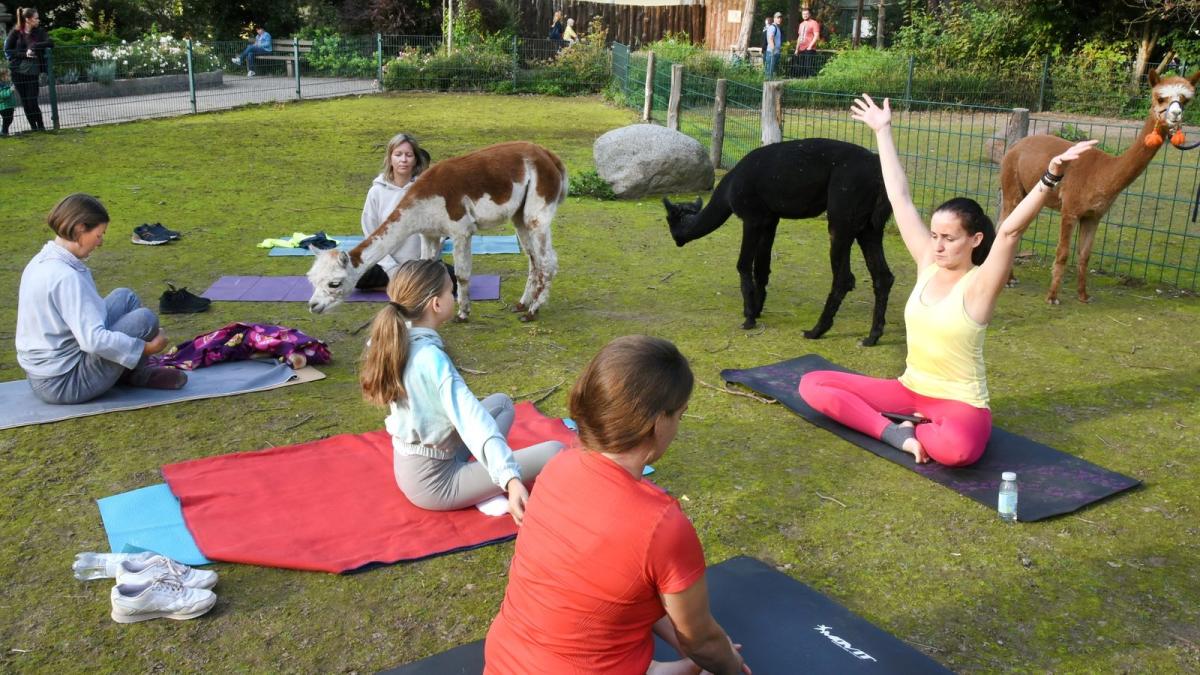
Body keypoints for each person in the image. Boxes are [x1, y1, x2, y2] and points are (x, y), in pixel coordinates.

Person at [798, 94, 1097, 467]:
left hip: (960, 403)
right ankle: (897, 433)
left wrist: (1049, 176)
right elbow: (900, 196)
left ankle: (915, 426)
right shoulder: (927, 261)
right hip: (907, 391)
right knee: (812, 385)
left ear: (974, 241)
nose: (937, 245)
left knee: (957, 451)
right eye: (935, 235)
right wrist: (883, 132)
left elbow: (1009, 232)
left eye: (949, 238)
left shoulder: (981, 285)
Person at [485, 336, 750, 675]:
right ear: (658, 422)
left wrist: (700, 648)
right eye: (680, 415)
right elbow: (701, 639)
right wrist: (728, 664)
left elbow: (612, 591)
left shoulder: (558, 467)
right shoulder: (662, 524)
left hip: (504, 661)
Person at [359, 258, 563, 522]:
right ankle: (487, 479)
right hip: (436, 484)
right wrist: (511, 480)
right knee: (555, 451)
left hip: (418, 460)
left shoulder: (392, 338)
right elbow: (472, 421)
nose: (454, 296)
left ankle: (483, 474)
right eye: (450, 290)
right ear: (437, 303)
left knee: (501, 404)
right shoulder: (431, 359)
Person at [16, 194, 187, 405]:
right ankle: (132, 372)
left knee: (125, 297)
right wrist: (145, 348)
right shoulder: (65, 276)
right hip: (62, 382)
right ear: (80, 229)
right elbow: (92, 340)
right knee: (145, 320)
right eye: (98, 235)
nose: (101, 243)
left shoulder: (43, 259)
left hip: (47, 371)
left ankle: (129, 372)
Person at [356, 132, 433, 290]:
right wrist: (392, 269)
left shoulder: (426, 190)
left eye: (408, 155)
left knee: (450, 278)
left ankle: (405, 284)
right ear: (390, 158)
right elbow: (371, 236)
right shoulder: (376, 192)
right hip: (385, 265)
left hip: (418, 264)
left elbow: (435, 233)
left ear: (415, 160)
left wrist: (423, 264)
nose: (403, 160)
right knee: (356, 276)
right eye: (398, 154)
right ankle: (400, 284)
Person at [3, 6, 52, 132]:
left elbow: (50, 43)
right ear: (28, 19)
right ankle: (33, 128)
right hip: (17, 72)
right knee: (25, 102)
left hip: (33, 72)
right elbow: (8, 50)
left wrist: (34, 46)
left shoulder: (39, 32)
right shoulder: (16, 33)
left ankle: (41, 126)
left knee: (32, 101)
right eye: (36, 18)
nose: (38, 20)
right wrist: (25, 53)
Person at [794, 7, 821, 77]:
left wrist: (810, 46)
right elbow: (799, 37)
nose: (805, 15)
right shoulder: (801, 24)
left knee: (808, 67)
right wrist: (797, 49)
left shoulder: (814, 23)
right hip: (801, 49)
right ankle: (802, 84)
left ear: (809, 14)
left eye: (806, 14)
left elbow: (816, 36)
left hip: (809, 49)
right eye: (803, 14)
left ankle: (810, 83)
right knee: (801, 68)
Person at [763, 12, 783, 80]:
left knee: (773, 72)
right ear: (774, 18)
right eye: (778, 18)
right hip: (772, 53)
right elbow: (770, 39)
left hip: (776, 52)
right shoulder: (772, 27)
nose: (779, 19)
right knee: (769, 72)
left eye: (780, 18)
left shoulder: (777, 27)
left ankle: (773, 87)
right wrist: (773, 50)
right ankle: (767, 88)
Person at [0, 61, 16, 136]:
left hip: (9, 105)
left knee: (9, 119)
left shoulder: (6, 83)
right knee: (7, 120)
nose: (8, 77)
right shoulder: (1, 85)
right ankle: (4, 132)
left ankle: (4, 132)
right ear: (2, 76)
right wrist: (10, 90)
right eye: (7, 76)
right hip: (4, 106)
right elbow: (2, 95)